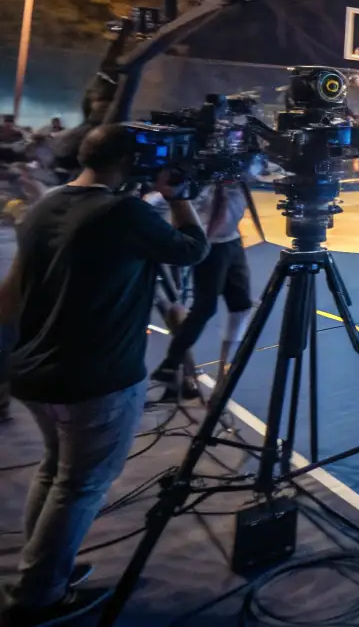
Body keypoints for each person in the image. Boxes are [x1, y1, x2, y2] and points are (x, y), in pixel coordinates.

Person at [0, 124, 209, 623]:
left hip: (34, 372)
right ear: (131, 164)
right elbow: (192, 249)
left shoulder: (47, 203)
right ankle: (36, 596)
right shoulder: (123, 212)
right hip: (97, 379)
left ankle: (44, 569)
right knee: (79, 485)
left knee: (56, 473)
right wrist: (178, 196)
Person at [149, 181, 253, 399]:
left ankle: (225, 370)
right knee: (204, 308)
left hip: (232, 241)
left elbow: (267, 169)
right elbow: (162, 198)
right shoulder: (199, 180)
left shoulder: (240, 171)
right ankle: (172, 365)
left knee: (241, 305)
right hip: (208, 247)